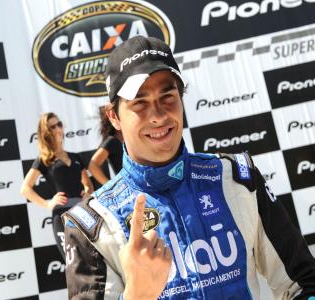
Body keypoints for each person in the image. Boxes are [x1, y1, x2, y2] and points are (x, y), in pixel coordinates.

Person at [62, 36, 315, 300]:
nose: (159, 115)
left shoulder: (237, 179)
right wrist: (138, 295)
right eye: (140, 102)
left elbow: (302, 282)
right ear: (113, 116)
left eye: (167, 96)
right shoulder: (90, 225)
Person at [20, 112, 94, 259]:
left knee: (93, 258)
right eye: (53, 127)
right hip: (62, 217)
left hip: (82, 213)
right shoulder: (44, 159)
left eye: (59, 124)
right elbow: (25, 189)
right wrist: (47, 204)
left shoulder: (75, 157)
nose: (58, 129)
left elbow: (88, 185)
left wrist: (87, 194)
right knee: (74, 263)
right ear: (46, 133)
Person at [88, 106, 123, 185]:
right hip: (129, 189)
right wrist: (110, 185)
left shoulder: (131, 138)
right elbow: (92, 166)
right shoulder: (112, 141)